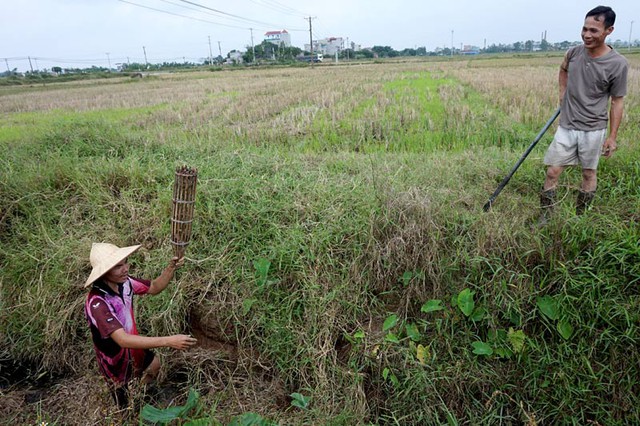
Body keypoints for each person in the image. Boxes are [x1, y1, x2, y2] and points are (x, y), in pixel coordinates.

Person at [539, 5, 628, 223]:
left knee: (588, 174)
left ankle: (581, 217)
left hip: (593, 128)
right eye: (584, 29)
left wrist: (612, 137)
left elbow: (617, 102)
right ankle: (546, 216)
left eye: (594, 31)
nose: (587, 35)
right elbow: (563, 69)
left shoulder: (617, 64)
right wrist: (562, 93)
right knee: (552, 171)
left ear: (609, 30)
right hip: (567, 125)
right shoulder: (573, 53)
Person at [84, 242, 197, 408]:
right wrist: (169, 341)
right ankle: (130, 410)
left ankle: (141, 395)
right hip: (115, 361)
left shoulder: (126, 283)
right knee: (122, 404)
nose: (125, 269)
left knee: (154, 364)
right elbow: (122, 340)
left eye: (125, 262)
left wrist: (171, 268)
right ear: (104, 272)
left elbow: (154, 287)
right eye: (118, 267)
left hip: (133, 348)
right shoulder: (97, 303)